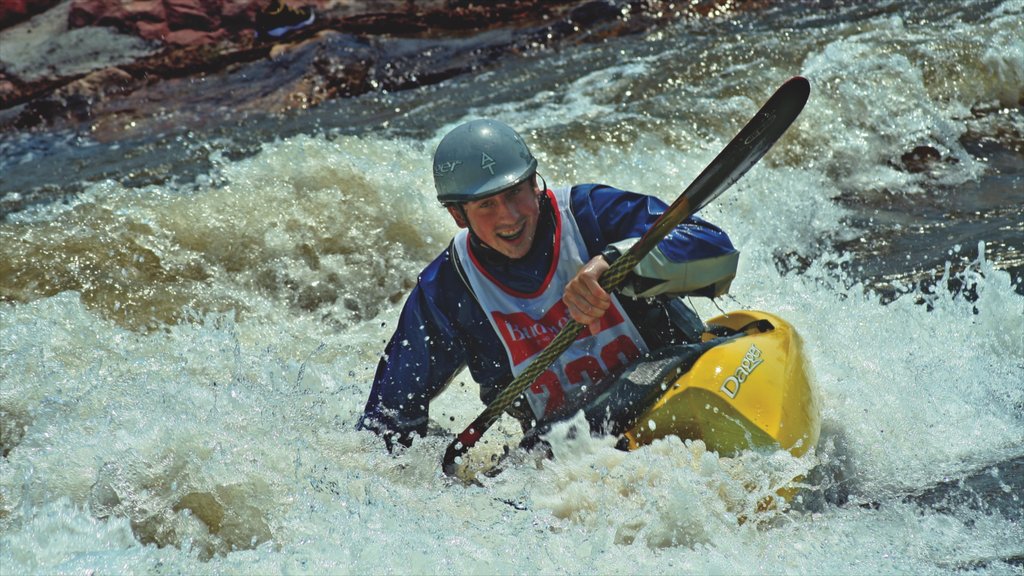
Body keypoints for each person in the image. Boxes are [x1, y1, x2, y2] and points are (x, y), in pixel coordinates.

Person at [358, 119, 739, 451]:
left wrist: (617, 260)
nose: (510, 216)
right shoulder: (446, 291)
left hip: (675, 383)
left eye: (515, 193)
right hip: (574, 450)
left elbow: (718, 252)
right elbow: (388, 420)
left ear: (535, 184)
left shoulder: (591, 214)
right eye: (486, 205)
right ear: (458, 215)